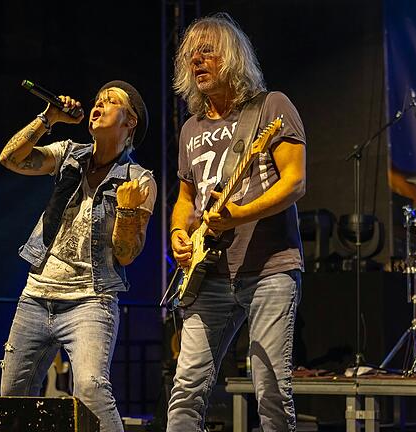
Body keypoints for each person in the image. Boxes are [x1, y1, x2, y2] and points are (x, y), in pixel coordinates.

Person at [167, 13, 306, 431]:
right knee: (185, 390)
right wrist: (178, 233)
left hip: (269, 268)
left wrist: (241, 214)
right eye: (191, 54)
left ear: (232, 56)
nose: (197, 60)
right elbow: (184, 198)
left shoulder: (271, 106)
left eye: (207, 50)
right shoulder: (191, 127)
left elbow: (296, 182)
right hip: (208, 275)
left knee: (270, 388)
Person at [0, 80, 156, 431]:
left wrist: (128, 214)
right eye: (97, 100)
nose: (98, 105)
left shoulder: (139, 180)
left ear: (129, 122)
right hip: (37, 295)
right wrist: (48, 117)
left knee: (90, 387)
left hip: (91, 300)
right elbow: (10, 159)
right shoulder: (69, 154)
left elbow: (127, 256)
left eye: (110, 102)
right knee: (11, 397)